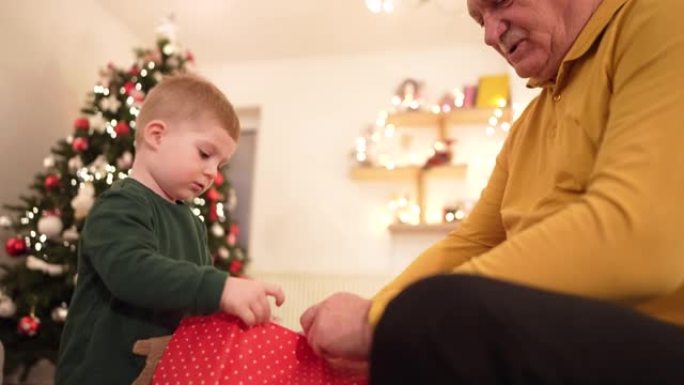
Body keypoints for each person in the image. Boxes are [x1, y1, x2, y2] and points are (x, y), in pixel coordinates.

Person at [301, 0, 684, 383]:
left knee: (431, 317)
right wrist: (375, 312)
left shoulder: (660, 15)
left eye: (499, 3)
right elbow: (473, 241)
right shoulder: (528, 124)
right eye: (479, 19)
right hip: (571, 338)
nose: (489, 33)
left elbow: (640, 237)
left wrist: (379, 321)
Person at [55, 74, 285, 385]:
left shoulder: (192, 222)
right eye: (205, 154)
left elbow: (194, 298)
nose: (211, 173)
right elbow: (130, 272)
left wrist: (234, 311)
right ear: (157, 135)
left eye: (220, 165)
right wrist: (221, 288)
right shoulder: (120, 204)